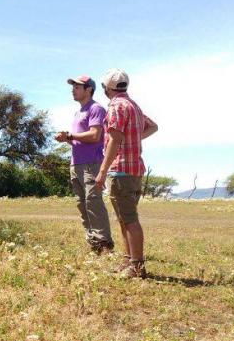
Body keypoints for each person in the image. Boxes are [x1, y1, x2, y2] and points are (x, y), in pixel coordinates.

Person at [95, 70, 159, 279]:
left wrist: (102, 172)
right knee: (124, 217)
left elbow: (114, 140)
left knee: (129, 219)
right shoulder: (134, 106)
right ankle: (128, 260)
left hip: (120, 169)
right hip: (134, 169)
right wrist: (134, 137)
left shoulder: (115, 106)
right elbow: (153, 126)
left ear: (107, 88)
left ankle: (137, 266)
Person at [54, 75, 114, 254]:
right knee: (82, 204)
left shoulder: (96, 108)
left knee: (93, 202)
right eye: (73, 87)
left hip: (91, 164)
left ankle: (104, 243)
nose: (73, 89)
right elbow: (80, 140)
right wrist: (66, 139)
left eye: (77, 87)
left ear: (89, 89)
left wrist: (70, 136)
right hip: (76, 164)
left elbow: (95, 135)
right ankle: (94, 243)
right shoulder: (78, 112)